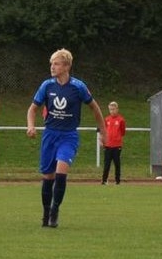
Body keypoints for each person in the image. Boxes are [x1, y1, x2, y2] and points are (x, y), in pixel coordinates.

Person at [26, 49, 106, 229]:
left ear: (66, 66)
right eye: (51, 64)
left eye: (56, 64)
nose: (52, 67)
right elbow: (32, 109)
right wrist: (30, 126)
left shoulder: (78, 87)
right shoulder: (47, 86)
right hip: (50, 134)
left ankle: (55, 211)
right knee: (48, 176)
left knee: (61, 172)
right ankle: (46, 212)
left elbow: (95, 108)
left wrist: (104, 132)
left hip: (68, 136)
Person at [101, 101, 126, 185]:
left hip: (117, 145)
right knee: (106, 164)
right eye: (110, 109)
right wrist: (103, 141)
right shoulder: (107, 119)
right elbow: (104, 131)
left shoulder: (121, 120)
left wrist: (117, 138)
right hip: (107, 145)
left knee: (117, 163)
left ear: (117, 109)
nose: (112, 111)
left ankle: (117, 181)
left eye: (113, 109)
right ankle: (104, 180)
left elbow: (123, 132)